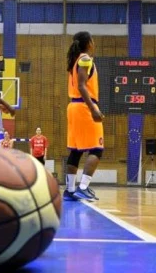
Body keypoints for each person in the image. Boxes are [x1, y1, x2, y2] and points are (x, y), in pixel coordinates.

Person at [64, 31, 104, 202]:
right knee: (97, 149)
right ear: (88, 43)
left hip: (74, 107)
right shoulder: (85, 59)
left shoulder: (75, 61)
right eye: (93, 40)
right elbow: (81, 86)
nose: (94, 43)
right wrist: (93, 108)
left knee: (75, 151)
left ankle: (70, 190)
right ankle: (83, 187)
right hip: (83, 106)